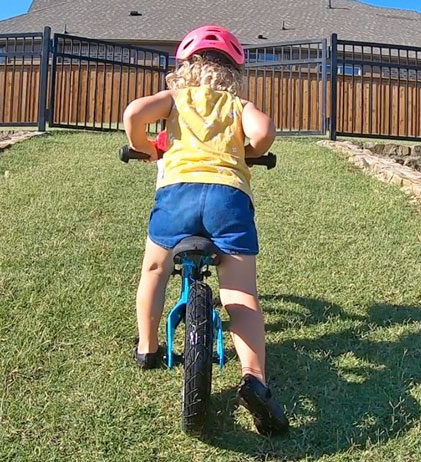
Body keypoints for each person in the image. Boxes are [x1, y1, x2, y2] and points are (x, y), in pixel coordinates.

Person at [123, 25, 289, 436]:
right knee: (240, 294)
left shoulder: (177, 98)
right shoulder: (236, 103)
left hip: (177, 197)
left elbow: (133, 114)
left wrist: (145, 148)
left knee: (154, 272)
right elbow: (264, 131)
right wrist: (249, 153)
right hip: (228, 201)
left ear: (185, 67)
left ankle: (147, 348)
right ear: (233, 72)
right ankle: (253, 378)